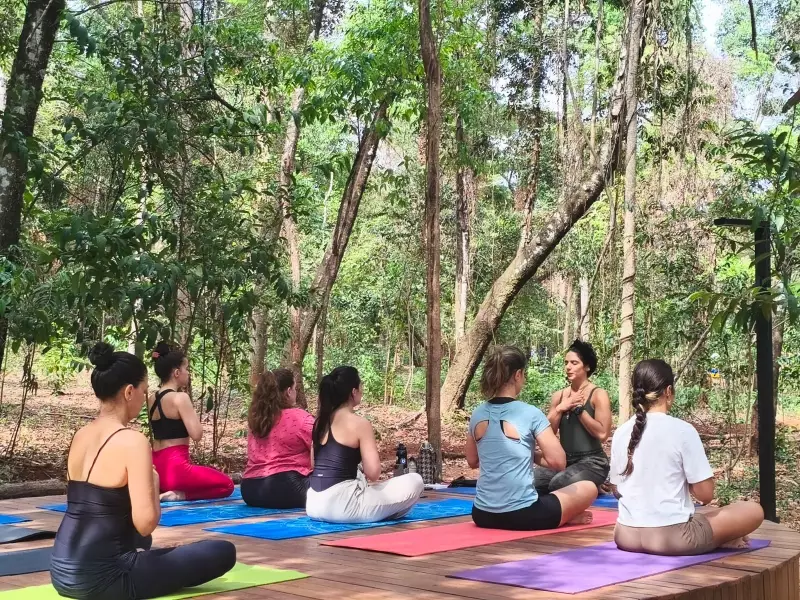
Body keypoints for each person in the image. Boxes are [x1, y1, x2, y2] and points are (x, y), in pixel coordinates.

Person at [51, 343, 236, 600]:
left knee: (143, 544)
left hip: (61, 573)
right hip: (106, 579)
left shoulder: (81, 435)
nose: (144, 397)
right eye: (144, 390)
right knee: (223, 551)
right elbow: (146, 524)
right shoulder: (133, 441)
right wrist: (154, 482)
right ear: (129, 392)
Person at [610, 359, 764, 555]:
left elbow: (616, 488)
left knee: (701, 517)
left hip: (625, 535)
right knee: (753, 510)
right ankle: (724, 538)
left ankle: (721, 538)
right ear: (668, 391)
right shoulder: (682, 430)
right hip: (673, 539)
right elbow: (705, 495)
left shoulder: (621, 432)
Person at [466, 345, 598, 531]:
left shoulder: (477, 413)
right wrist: (531, 453)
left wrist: (523, 452)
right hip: (524, 516)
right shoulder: (530, 413)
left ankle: (565, 515)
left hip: (482, 514)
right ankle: (566, 516)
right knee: (589, 487)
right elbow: (559, 462)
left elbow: (472, 461)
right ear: (518, 374)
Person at [306, 366, 424, 523]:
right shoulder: (360, 423)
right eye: (360, 385)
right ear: (353, 392)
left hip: (313, 504)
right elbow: (373, 474)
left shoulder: (319, 423)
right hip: (343, 507)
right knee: (415, 480)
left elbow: (313, 464)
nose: (362, 389)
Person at [149, 342, 233, 501]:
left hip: (156, 468)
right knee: (227, 485)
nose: (188, 373)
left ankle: (169, 490)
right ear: (176, 372)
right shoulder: (180, 398)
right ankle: (179, 495)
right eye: (186, 368)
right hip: (176, 470)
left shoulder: (152, 398)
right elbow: (197, 435)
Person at [534, 339, 611, 495]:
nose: (568, 367)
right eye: (566, 363)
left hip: (593, 462)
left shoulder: (598, 394)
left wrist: (579, 410)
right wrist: (561, 408)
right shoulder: (559, 396)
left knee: (559, 484)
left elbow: (603, 434)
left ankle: (590, 485)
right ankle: (586, 486)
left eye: (574, 363)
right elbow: (548, 432)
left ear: (587, 366)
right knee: (529, 481)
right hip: (565, 462)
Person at [241, 368, 314, 509]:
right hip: (286, 488)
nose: (296, 392)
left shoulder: (256, 420)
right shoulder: (300, 418)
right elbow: (325, 447)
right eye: (295, 388)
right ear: (288, 391)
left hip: (250, 490)